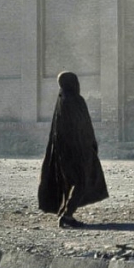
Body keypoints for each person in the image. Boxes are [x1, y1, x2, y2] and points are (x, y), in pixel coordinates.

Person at [38, 71, 109, 228]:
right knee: (81, 182)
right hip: (78, 150)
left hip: (63, 152)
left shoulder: (61, 100)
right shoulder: (76, 100)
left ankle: (65, 211)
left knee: (71, 182)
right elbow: (85, 125)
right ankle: (67, 215)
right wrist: (91, 144)